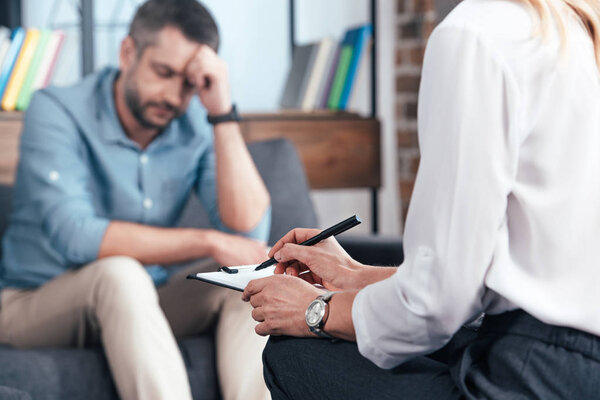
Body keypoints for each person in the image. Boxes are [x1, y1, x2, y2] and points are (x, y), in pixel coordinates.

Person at [243, 0, 600, 398]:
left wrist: (315, 311)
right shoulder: (573, 32)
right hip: (573, 362)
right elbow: (499, 280)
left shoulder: (476, 33)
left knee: (294, 354)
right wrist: (354, 276)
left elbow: (436, 306)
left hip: (532, 370)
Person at [0, 1, 272, 399]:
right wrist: (207, 241)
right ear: (128, 52)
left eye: (188, 84)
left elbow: (247, 231)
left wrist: (222, 114)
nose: (173, 96)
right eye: (163, 73)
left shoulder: (194, 123)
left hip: (142, 298)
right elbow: (75, 235)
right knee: (119, 273)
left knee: (251, 278)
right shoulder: (57, 109)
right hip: (34, 302)